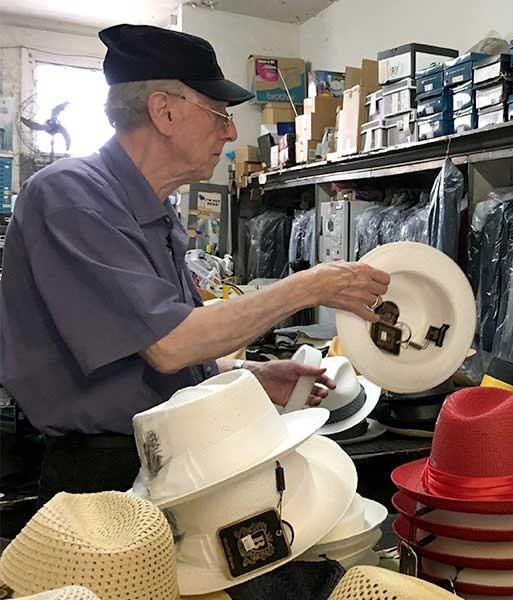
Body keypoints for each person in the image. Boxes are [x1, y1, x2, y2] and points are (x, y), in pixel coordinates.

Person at [0, 25, 390, 501]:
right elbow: (169, 346)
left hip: (162, 453)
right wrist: (310, 287)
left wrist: (246, 373)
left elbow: (168, 349)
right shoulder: (72, 198)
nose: (230, 132)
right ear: (164, 111)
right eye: (218, 114)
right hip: (103, 476)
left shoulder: (153, 208)